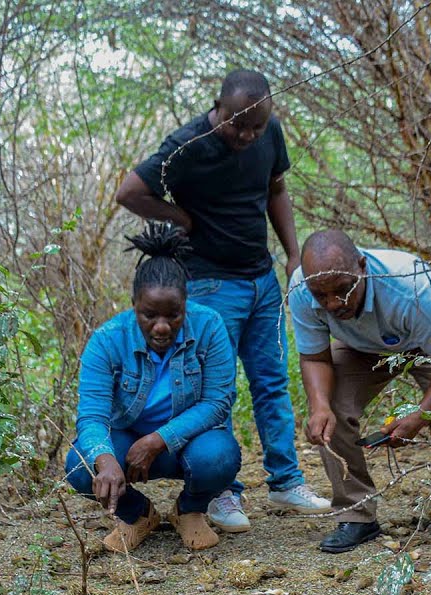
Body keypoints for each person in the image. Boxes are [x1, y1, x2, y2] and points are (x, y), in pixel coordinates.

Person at [115, 68, 329, 532]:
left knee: (271, 381)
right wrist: (181, 218)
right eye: (237, 124)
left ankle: (286, 481)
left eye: (256, 125)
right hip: (211, 284)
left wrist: (292, 254)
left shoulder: (268, 130)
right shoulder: (187, 145)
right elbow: (129, 191)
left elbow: (276, 189)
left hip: (260, 278)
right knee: (220, 389)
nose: (247, 134)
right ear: (218, 108)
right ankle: (223, 495)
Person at [288, 230, 431, 552]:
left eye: (342, 290)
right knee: (330, 414)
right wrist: (319, 405)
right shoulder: (302, 287)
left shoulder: (408, 288)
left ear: (362, 266)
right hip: (362, 345)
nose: (333, 304)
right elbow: (313, 356)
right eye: (321, 296)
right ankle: (358, 515)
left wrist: (419, 417)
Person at [65, 224, 240, 552]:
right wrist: (105, 458)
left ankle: (189, 510)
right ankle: (137, 515)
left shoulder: (209, 326)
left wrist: (159, 439)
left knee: (219, 457)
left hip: (187, 444)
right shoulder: (107, 340)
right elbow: (91, 416)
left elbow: (218, 401)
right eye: (149, 315)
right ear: (134, 305)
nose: (161, 326)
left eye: (173, 316)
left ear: (186, 305)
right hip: (127, 445)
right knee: (80, 465)